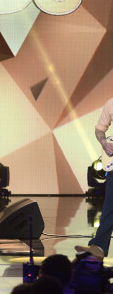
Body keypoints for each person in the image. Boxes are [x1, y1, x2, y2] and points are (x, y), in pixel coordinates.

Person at [75, 98, 113, 261]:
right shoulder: (111, 103)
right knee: (109, 207)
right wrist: (105, 144)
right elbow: (99, 130)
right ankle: (98, 246)